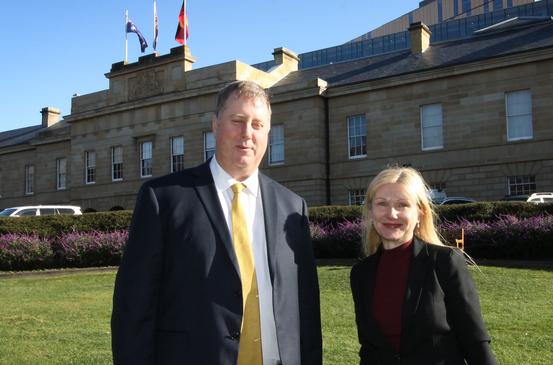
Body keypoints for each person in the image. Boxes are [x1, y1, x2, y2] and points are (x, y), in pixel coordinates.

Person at [111, 80, 322, 365]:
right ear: (215, 126)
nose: (247, 134)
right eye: (237, 120)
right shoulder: (164, 199)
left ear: (268, 133)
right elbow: (133, 307)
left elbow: (306, 308)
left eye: (258, 125)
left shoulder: (292, 207)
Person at [350, 166, 496, 365]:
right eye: (382, 204)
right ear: (371, 210)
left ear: (419, 213)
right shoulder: (361, 273)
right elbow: (368, 348)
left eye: (402, 205)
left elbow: (475, 342)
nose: (391, 214)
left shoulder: (445, 262)